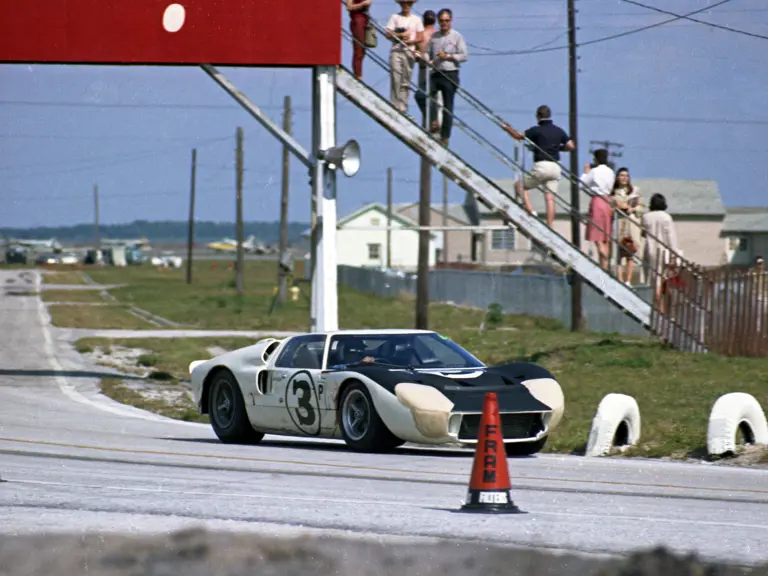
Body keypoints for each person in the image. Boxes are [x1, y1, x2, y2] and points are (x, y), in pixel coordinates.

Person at [502, 105, 575, 227]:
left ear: (538, 116)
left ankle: (531, 211)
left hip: (542, 165)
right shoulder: (559, 130)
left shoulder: (536, 130)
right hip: (556, 167)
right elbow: (571, 146)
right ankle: (550, 226)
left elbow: (518, 136)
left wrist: (506, 128)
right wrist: (559, 148)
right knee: (550, 198)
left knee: (520, 185)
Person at [426, 8, 468, 145]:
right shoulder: (434, 37)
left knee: (447, 106)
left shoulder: (457, 37)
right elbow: (427, 52)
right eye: (442, 21)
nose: (444, 23)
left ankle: (445, 136)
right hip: (436, 72)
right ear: (438, 22)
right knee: (430, 98)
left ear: (451, 21)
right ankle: (433, 122)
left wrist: (448, 56)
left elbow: (464, 56)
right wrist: (427, 59)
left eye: (447, 21)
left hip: (450, 73)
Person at [384, 0, 423, 115]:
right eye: (404, 3)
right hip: (396, 51)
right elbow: (387, 34)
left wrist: (410, 40)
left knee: (405, 81)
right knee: (396, 79)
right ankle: (394, 106)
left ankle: (403, 107)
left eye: (409, 3)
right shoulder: (395, 17)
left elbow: (420, 37)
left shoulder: (416, 19)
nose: (406, 6)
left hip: (409, 51)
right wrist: (400, 35)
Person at [641, 193, 679, 312]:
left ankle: (657, 307)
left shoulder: (646, 217)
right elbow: (671, 237)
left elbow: (643, 233)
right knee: (663, 280)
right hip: (664, 251)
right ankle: (663, 310)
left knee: (653, 279)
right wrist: (674, 254)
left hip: (650, 249)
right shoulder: (666, 217)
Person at [581, 149, 615, 270]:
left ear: (596, 159)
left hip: (597, 201)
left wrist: (585, 172)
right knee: (605, 236)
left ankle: (602, 255)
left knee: (597, 236)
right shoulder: (611, 172)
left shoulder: (594, 171)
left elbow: (582, 184)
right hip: (607, 202)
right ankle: (604, 266)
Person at [611, 167, 645, 285]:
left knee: (630, 251)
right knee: (619, 252)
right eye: (621, 175)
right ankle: (619, 278)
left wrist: (633, 208)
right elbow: (611, 206)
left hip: (631, 223)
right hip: (619, 222)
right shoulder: (613, 192)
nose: (624, 178)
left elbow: (642, 207)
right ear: (617, 177)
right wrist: (617, 207)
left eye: (626, 175)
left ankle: (628, 280)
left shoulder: (635, 191)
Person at [414, 10, 437, 121]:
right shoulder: (438, 34)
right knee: (436, 100)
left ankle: (430, 121)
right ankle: (434, 121)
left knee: (423, 96)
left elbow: (415, 55)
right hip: (436, 70)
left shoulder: (420, 35)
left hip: (425, 68)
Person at [346, 0, 373, 80]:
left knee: (362, 50)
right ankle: (358, 75)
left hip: (365, 19)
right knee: (358, 48)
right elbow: (349, 6)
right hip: (357, 20)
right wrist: (362, 4)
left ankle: (358, 73)